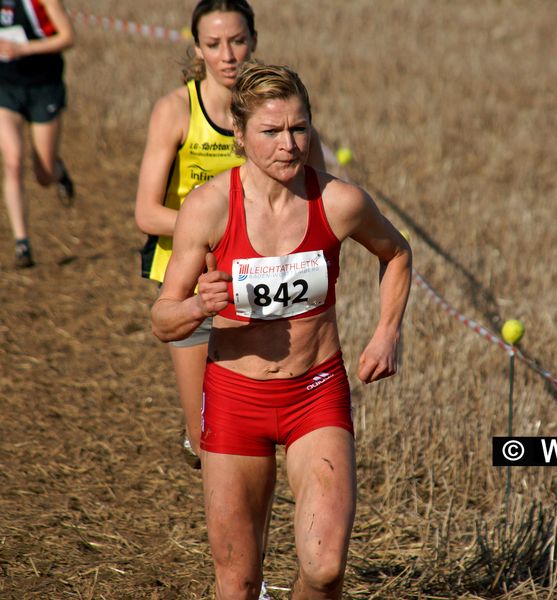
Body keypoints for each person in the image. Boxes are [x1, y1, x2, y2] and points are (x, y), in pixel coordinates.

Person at [151, 61, 412, 599]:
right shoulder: (208, 208)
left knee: (323, 568)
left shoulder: (339, 202)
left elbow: (397, 252)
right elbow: (162, 319)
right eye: (271, 131)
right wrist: (199, 305)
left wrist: (388, 331)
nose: (288, 144)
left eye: (299, 128)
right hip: (234, 397)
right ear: (240, 135)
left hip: (314, 393)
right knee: (239, 582)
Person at [135, 0, 325, 465]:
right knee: (207, 440)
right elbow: (145, 212)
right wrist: (215, 229)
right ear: (197, 49)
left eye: (238, 41)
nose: (228, 55)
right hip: (193, 283)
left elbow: (316, 202)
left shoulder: (282, 119)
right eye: (214, 44)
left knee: (255, 434)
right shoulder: (176, 111)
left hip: (268, 278)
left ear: (254, 41)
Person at [0, 0, 75, 269]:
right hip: (5, 87)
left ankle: (58, 171)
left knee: (43, 174)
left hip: (43, 86)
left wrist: (23, 48)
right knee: (13, 160)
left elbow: (68, 37)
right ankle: (22, 243)